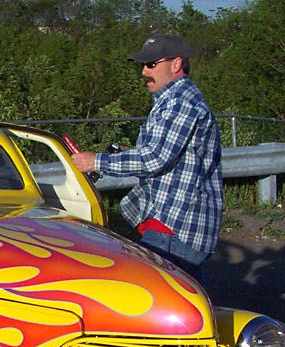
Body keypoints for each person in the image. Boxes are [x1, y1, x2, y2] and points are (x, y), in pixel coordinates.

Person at [72, 34, 223, 283]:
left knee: (163, 305)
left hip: (176, 225)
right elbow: (166, 157)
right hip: (168, 222)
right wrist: (126, 155)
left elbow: (155, 159)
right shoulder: (170, 101)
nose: (144, 71)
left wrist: (96, 161)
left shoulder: (181, 102)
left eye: (151, 64)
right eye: (143, 65)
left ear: (176, 65)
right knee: (182, 303)